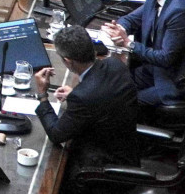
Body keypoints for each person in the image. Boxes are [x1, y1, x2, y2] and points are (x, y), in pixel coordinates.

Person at [33, 25, 139, 190]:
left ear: (68, 61)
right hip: (128, 151)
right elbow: (103, 96)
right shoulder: (115, 64)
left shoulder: (83, 97)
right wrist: (77, 93)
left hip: (102, 171)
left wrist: (42, 95)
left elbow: (56, 134)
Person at [105, 0, 185, 105]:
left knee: (121, 102)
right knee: (112, 83)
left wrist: (128, 43)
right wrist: (119, 29)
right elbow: (129, 19)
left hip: (171, 81)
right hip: (153, 70)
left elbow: (165, 58)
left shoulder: (178, 11)